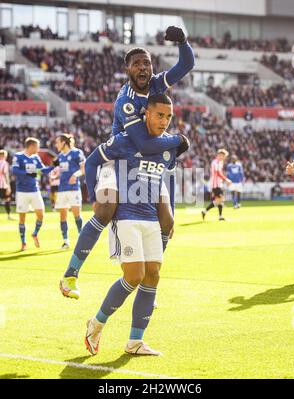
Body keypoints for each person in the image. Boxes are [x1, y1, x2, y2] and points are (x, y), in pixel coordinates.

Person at [61, 26, 194, 298]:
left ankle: (148, 278)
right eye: (137, 64)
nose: (143, 67)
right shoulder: (126, 101)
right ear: (128, 70)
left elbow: (187, 64)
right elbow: (143, 143)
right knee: (106, 208)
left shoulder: (157, 83)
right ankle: (70, 275)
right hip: (120, 158)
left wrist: (183, 41)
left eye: (147, 62)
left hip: (149, 159)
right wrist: (177, 139)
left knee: (167, 222)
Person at [83, 94, 189, 355]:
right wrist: (97, 193)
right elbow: (97, 161)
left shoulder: (167, 148)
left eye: (168, 117)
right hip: (126, 217)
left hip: (151, 217)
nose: (164, 121)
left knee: (153, 274)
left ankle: (135, 341)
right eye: (159, 115)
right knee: (134, 276)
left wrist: (169, 213)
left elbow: (166, 181)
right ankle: (96, 323)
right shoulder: (127, 140)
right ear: (146, 114)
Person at [12, 137, 54, 250]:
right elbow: (14, 170)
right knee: (22, 218)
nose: (39, 148)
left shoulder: (36, 157)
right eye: (37, 146)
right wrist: (28, 172)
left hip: (35, 190)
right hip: (22, 191)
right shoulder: (18, 156)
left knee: (41, 215)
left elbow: (43, 170)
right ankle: (23, 243)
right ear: (31, 146)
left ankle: (35, 233)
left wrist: (54, 166)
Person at [54, 134, 85, 249]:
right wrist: (56, 175)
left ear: (63, 142)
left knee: (77, 214)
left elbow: (83, 169)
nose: (56, 145)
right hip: (62, 189)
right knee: (62, 216)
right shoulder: (60, 156)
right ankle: (66, 241)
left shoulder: (77, 153)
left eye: (57, 142)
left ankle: (81, 238)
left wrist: (75, 175)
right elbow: (62, 170)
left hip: (73, 189)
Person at [201, 149, 232, 221]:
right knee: (220, 200)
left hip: (218, 184)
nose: (224, 158)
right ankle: (206, 211)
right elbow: (218, 173)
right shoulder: (215, 162)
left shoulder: (220, 162)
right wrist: (226, 180)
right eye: (224, 156)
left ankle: (219, 216)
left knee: (220, 200)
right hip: (215, 185)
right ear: (220, 155)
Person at [0, 149, 13, 220]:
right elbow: (6, 174)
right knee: (7, 199)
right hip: (3, 184)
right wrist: (8, 186)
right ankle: (9, 215)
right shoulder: (5, 163)